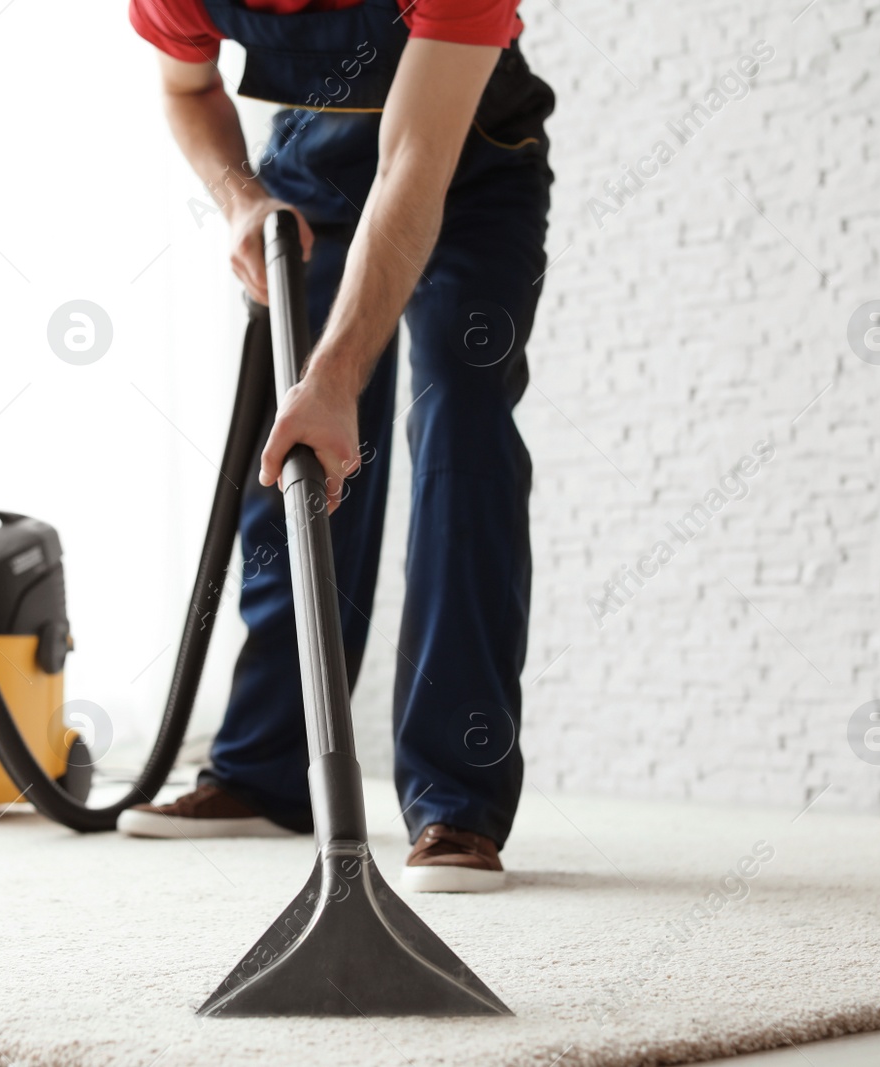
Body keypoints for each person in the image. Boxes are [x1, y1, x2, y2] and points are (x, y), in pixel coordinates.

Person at [116, 0, 554, 894]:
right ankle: (265, 768)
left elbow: (414, 165)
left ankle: (454, 804)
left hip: (469, 181)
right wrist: (241, 199)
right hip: (311, 187)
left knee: (458, 441)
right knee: (295, 462)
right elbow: (184, 87)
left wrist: (338, 374)